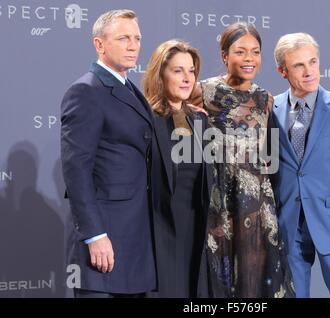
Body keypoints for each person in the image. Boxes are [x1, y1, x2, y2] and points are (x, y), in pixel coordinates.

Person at [61, 9, 169, 298]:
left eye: (137, 38)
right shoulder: (86, 91)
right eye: (123, 38)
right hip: (105, 239)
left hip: (136, 237)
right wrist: (95, 235)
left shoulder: (131, 90)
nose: (133, 45)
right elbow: (76, 170)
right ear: (100, 44)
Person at [191, 22, 295, 298]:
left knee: (255, 275)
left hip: (257, 198)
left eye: (255, 52)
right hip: (220, 195)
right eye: (240, 51)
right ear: (225, 55)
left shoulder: (265, 99)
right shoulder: (204, 90)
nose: (249, 59)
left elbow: (270, 152)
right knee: (222, 274)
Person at [270, 32, 330, 297]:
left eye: (313, 62)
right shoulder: (270, 110)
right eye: (299, 65)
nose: (309, 71)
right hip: (288, 227)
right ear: (282, 71)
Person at [142, 39, 212, 297]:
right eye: (177, 70)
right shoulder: (146, 120)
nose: (187, 78)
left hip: (195, 229)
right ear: (160, 75)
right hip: (158, 231)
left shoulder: (199, 120)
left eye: (191, 71)